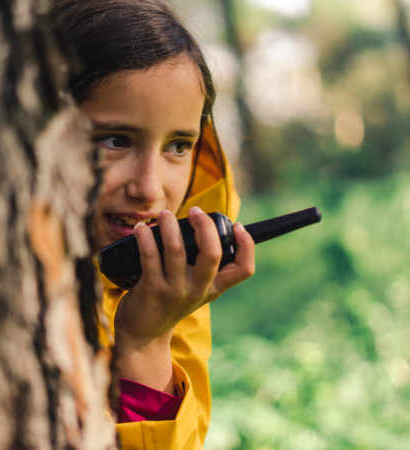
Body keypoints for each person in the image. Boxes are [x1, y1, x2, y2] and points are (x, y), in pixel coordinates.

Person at [53, 0, 256, 447]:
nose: (149, 188)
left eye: (178, 146)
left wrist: (145, 343)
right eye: (114, 140)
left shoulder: (175, 267)